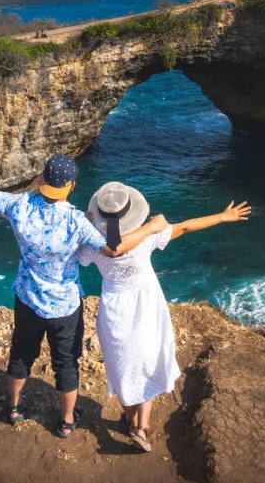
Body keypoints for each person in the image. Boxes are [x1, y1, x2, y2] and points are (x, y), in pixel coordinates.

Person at [0, 152, 167, 439]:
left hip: (28, 300)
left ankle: (13, 408)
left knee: (21, 356)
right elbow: (113, 247)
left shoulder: (20, 204)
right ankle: (66, 421)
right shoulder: (77, 221)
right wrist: (151, 227)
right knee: (66, 365)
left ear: (43, 180)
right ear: (72, 186)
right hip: (64, 309)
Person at [79, 182, 251, 453]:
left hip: (114, 309)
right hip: (147, 304)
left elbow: (87, 250)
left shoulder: (92, 244)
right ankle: (142, 427)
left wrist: (86, 222)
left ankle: (129, 418)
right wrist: (221, 216)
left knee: (121, 366)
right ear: (130, 212)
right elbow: (185, 227)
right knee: (149, 359)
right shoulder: (147, 236)